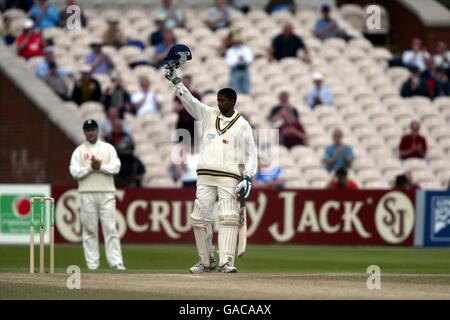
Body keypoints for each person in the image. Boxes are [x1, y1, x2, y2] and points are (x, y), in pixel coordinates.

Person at [165, 64, 257, 273]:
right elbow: (190, 101)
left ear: (232, 101)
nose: (219, 103)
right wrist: (176, 82)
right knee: (198, 218)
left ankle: (226, 262)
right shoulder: (208, 114)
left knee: (228, 217)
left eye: (223, 100)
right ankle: (206, 261)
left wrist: (248, 176)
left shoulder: (243, 125)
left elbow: (252, 154)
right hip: (205, 175)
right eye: (218, 99)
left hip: (229, 176)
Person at [69, 119, 126, 271]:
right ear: (84, 132)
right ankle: (92, 264)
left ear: (97, 131)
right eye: (87, 130)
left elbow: (116, 167)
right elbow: (74, 172)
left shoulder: (108, 148)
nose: (90, 132)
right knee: (89, 230)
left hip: (107, 193)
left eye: (93, 129)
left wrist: (100, 167)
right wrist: (89, 167)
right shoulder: (79, 151)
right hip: (87, 193)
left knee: (110, 228)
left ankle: (116, 262)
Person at [174, 75, 201, 140]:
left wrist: (184, 103)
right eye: (184, 82)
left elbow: (197, 108)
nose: (185, 83)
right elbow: (176, 108)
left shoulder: (195, 94)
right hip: (182, 122)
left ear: (190, 82)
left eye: (187, 81)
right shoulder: (178, 94)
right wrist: (187, 103)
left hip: (193, 121)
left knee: (194, 143)